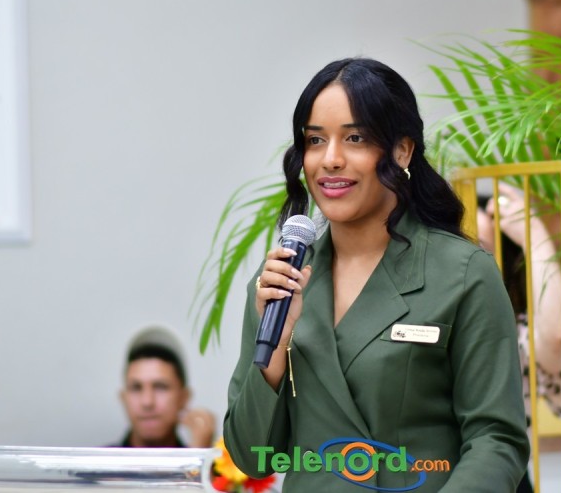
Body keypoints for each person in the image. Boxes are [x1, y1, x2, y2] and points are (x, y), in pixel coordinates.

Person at [223, 58, 529, 492]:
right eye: (315, 140)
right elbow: (252, 456)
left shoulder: (463, 274)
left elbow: (496, 441)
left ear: (402, 150)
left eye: (355, 138)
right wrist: (276, 348)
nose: (331, 159)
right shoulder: (281, 279)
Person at [477, 184, 561, 493]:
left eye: (479, 248)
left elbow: (558, 340)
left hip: (503, 478)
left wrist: (535, 237)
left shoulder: (511, 330)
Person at [114, 325, 216, 448]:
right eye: (136, 388)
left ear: (184, 398)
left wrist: (203, 454)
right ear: (123, 398)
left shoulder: (215, 459)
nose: (147, 402)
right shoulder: (97, 460)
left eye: (160, 387)